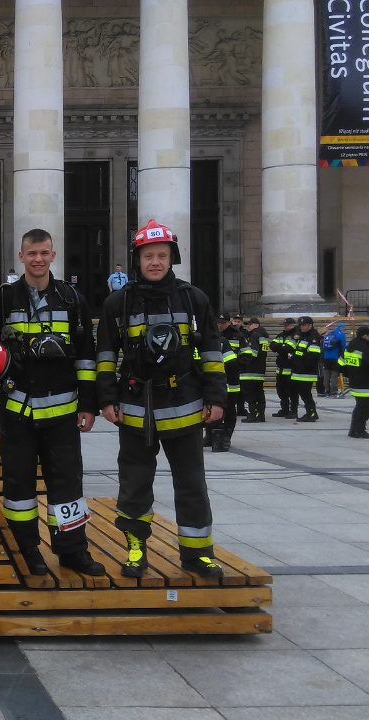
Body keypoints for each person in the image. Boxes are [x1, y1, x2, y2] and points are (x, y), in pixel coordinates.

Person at [0, 229, 105, 576]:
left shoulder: (73, 300)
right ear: (20, 257)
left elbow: (86, 356)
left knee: (68, 487)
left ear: (54, 256)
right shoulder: (2, 300)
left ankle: (72, 551)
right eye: (31, 253)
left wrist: (88, 405)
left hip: (63, 416)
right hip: (15, 414)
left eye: (44, 253)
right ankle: (27, 550)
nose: (38, 259)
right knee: (19, 488)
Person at [96, 219, 227, 579]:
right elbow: (106, 356)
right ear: (137, 259)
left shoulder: (193, 298)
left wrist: (216, 397)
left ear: (173, 258)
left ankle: (198, 554)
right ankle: (136, 549)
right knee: (134, 484)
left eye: (162, 255)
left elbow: (212, 353)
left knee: (192, 485)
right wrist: (107, 399)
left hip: (185, 409)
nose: (155, 262)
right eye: (148, 255)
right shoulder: (117, 303)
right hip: (136, 411)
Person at [204, 314, 239, 452]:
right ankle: (210, 435)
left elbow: (231, 364)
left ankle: (226, 437)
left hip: (228, 383)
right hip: (211, 383)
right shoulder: (206, 340)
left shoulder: (222, 341)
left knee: (229, 410)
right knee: (209, 410)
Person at [289, 316, 322, 422]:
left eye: (303, 325)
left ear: (310, 325)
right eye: (300, 325)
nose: (301, 327)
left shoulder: (313, 337)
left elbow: (313, 355)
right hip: (299, 371)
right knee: (302, 392)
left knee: (305, 392)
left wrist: (302, 365)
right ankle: (311, 412)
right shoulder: (301, 335)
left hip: (307, 372)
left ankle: (311, 413)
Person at [238, 317, 269, 423]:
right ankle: (260, 414)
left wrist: (241, 359)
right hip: (260, 369)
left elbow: (253, 353)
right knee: (259, 392)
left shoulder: (253, 336)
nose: (248, 326)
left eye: (250, 324)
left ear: (256, 325)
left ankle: (253, 414)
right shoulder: (262, 336)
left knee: (250, 393)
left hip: (250, 369)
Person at [271, 318, 298, 418]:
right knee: (281, 390)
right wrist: (282, 346)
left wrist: (280, 347)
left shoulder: (296, 335)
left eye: (287, 325)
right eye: (284, 325)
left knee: (292, 391)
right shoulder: (281, 335)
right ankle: (284, 409)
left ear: (293, 325)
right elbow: (272, 345)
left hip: (291, 368)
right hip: (281, 367)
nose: (285, 327)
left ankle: (293, 410)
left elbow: (290, 347)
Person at [319, 321, 347, 397]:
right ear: (342, 328)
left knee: (326, 374)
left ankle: (327, 391)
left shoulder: (329, 334)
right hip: (335, 357)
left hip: (326, 357)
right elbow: (343, 347)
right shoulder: (341, 335)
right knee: (334, 375)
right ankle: (333, 391)